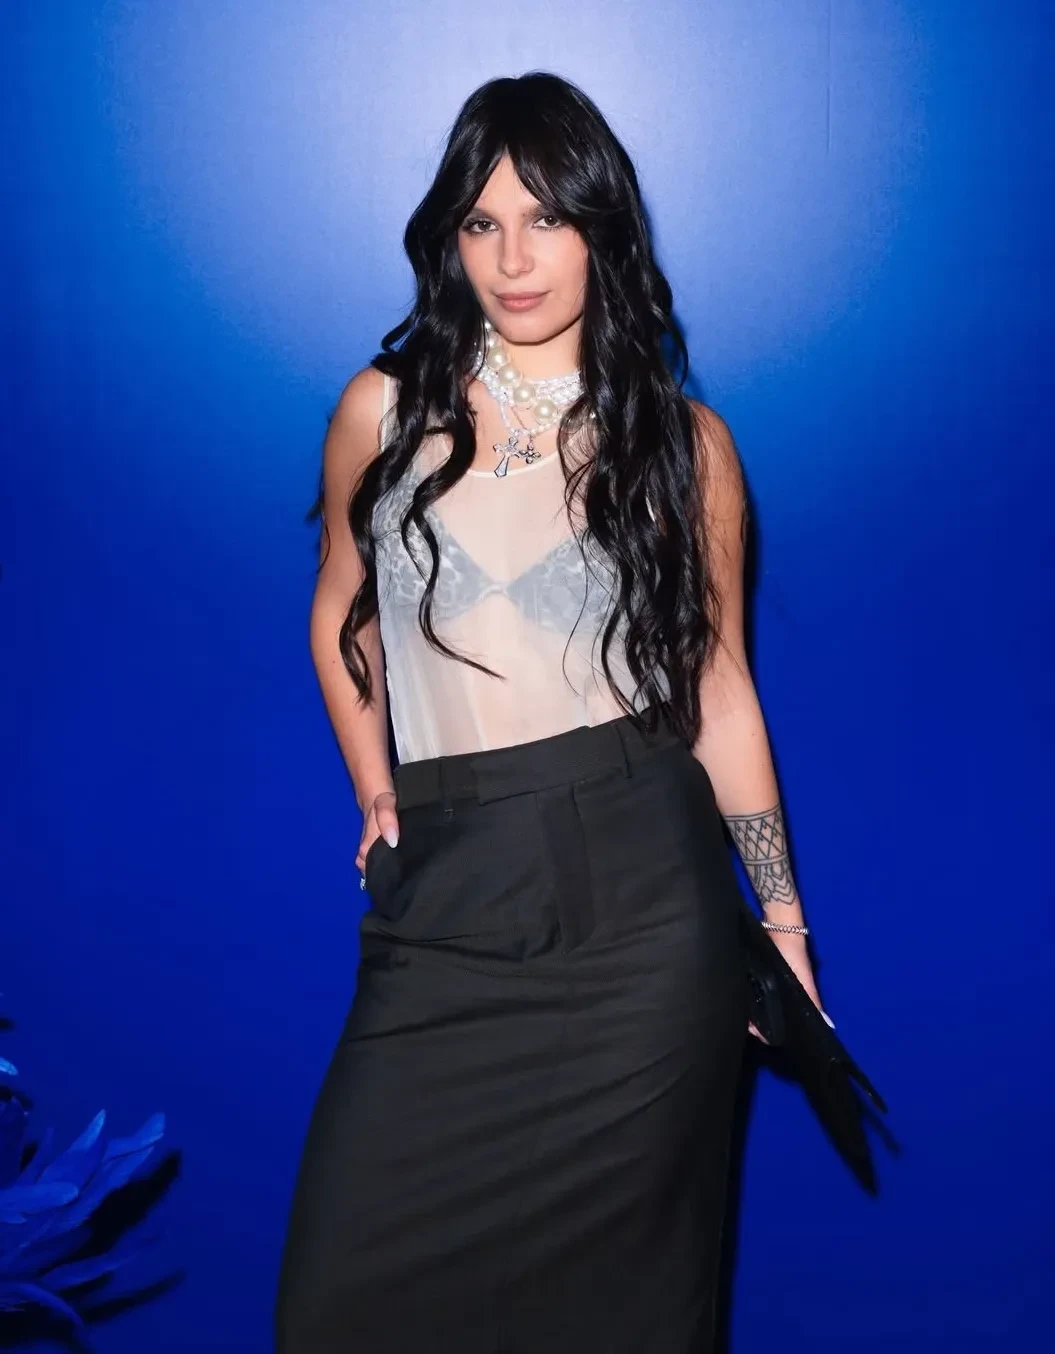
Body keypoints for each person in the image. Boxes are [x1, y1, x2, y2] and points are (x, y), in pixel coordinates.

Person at [274, 71, 827, 1354]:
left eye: (547, 219)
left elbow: (720, 692)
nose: (513, 259)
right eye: (481, 222)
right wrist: (375, 779)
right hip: (448, 903)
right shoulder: (380, 410)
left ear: (600, 229)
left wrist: (784, 926)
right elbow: (341, 613)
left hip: (644, 917)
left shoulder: (683, 444)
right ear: (449, 238)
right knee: (336, 1309)